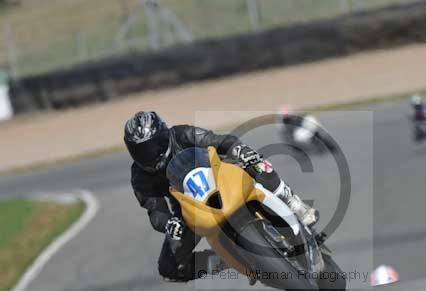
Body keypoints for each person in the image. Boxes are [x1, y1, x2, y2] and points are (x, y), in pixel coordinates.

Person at [124, 111, 319, 282]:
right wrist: (169, 223)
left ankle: (294, 203)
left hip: (223, 176)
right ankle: (223, 261)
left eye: (153, 146)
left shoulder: (182, 134)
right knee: (169, 267)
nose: (149, 155)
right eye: (140, 151)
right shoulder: (140, 176)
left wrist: (240, 152)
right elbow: (155, 211)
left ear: (164, 135)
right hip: (191, 210)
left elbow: (220, 141)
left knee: (258, 164)